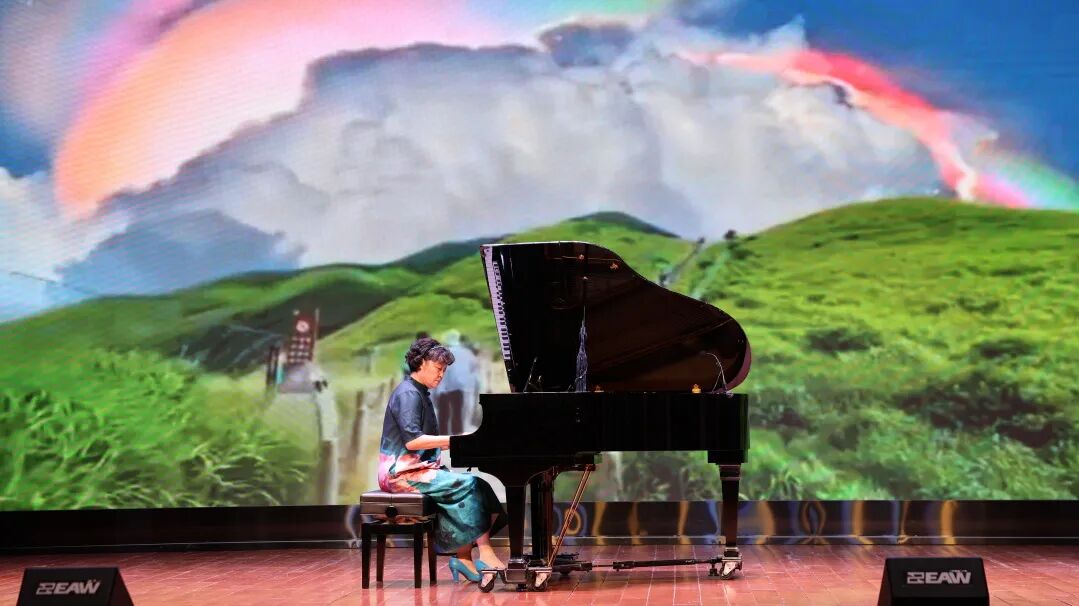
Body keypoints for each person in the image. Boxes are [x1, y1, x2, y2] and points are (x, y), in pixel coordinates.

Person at [378, 336, 506, 582]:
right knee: (469, 485)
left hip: (418, 469)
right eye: (438, 368)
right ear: (421, 363)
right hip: (400, 474)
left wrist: (455, 442)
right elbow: (413, 442)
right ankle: (485, 551)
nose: (441, 375)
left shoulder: (420, 392)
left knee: (482, 486)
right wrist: (454, 440)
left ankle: (463, 557)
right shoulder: (408, 393)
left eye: (444, 370)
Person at [431, 330, 483, 434]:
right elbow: (474, 373)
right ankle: (457, 437)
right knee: (458, 416)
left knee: (443, 417)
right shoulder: (468, 353)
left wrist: (434, 393)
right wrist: (476, 388)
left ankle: (443, 438)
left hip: (443, 389)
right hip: (461, 389)